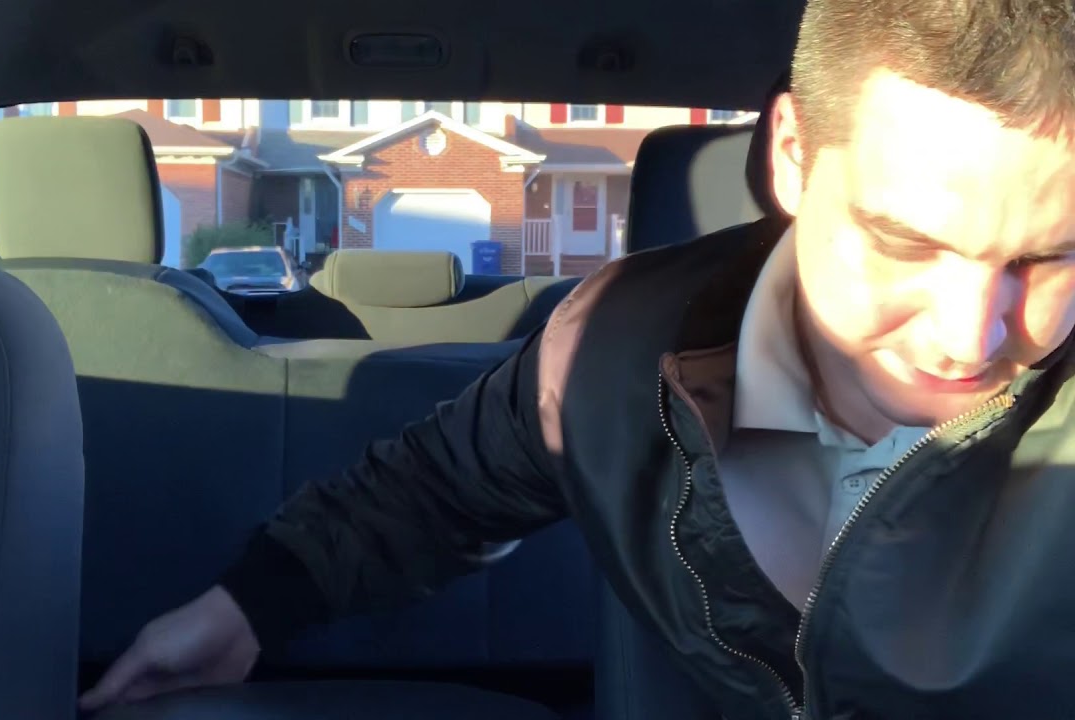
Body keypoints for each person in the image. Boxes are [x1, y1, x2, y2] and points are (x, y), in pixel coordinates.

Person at [81, 0, 1075, 717]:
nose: (971, 335)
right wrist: (249, 608)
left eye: (1051, 257)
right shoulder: (614, 347)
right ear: (790, 156)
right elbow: (435, 490)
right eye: (903, 243)